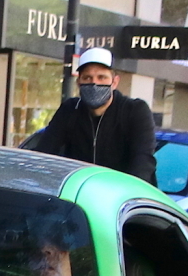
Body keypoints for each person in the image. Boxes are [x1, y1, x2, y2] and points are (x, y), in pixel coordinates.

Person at [21, 47, 157, 184]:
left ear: (114, 82)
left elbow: (143, 162)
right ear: (78, 83)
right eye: (87, 78)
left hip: (126, 198)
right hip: (79, 196)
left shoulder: (134, 110)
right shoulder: (70, 110)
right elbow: (45, 152)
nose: (94, 83)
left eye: (102, 77)